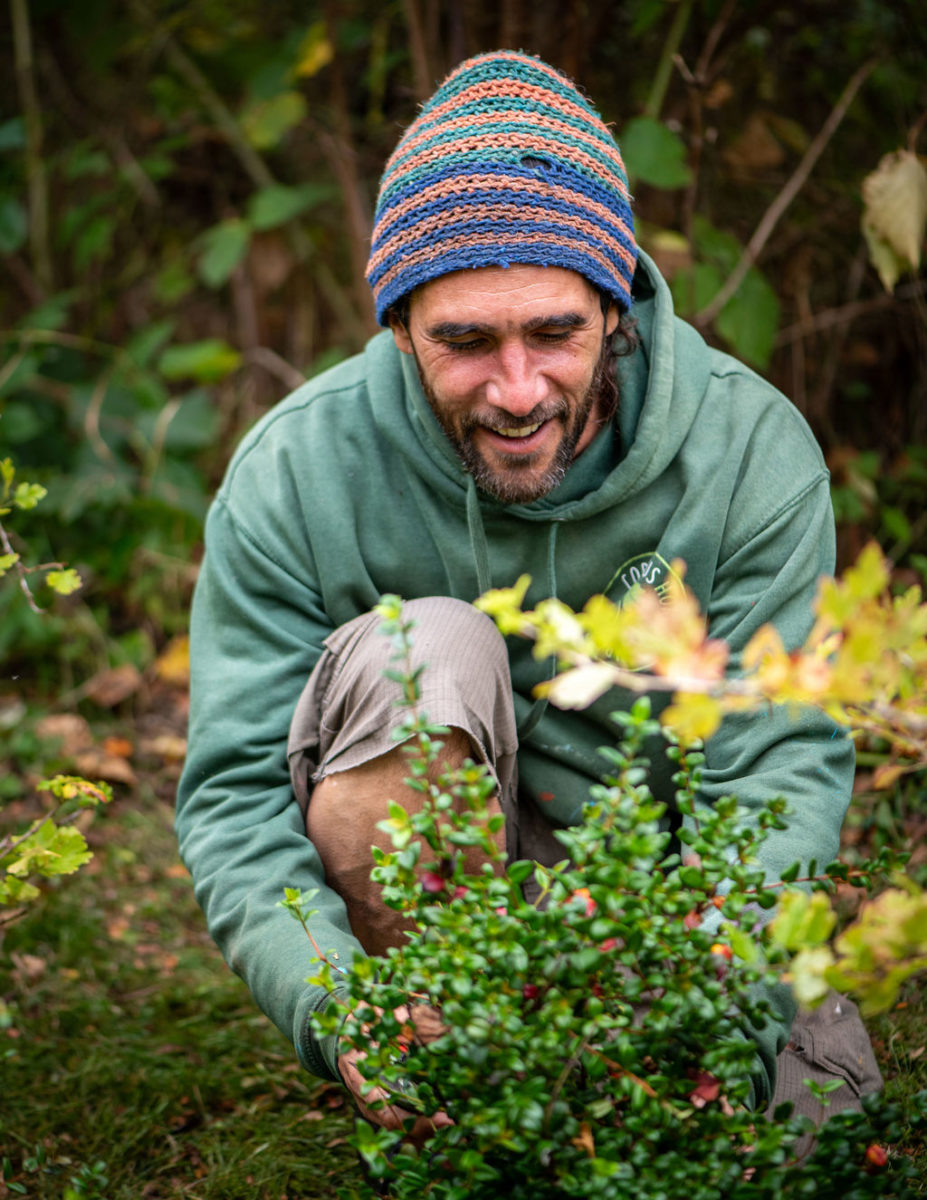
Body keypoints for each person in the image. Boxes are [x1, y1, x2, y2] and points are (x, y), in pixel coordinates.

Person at [176, 50, 881, 1147]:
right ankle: (433, 1051)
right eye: (464, 341)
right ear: (399, 324)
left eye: (554, 332)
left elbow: (779, 771)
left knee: (810, 1133)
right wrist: (337, 1008)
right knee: (428, 646)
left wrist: (710, 1015)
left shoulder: (751, 454)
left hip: (659, 918)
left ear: (615, 302)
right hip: (434, 931)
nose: (516, 391)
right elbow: (232, 799)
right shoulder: (294, 472)